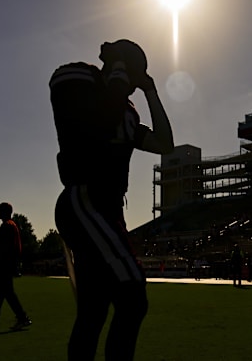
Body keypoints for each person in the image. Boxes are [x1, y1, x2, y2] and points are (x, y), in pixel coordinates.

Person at [50, 39, 173, 360]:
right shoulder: (77, 79)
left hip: (108, 208)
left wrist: (151, 92)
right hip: (85, 199)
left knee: (93, 312)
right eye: (133, 79)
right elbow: (100, 120)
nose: (132, 88)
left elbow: (164, 143)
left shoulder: (126, 111)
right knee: (133, 297)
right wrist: (118, 67)